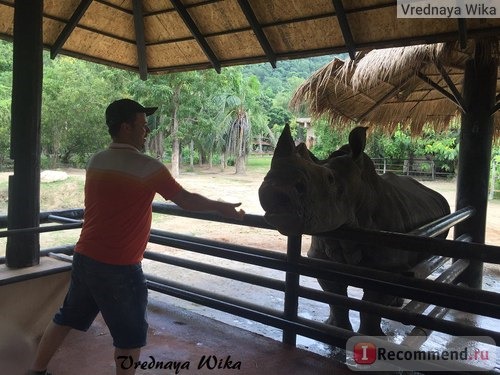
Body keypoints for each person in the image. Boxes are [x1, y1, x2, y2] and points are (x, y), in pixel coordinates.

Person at [29, 99, 245, 375]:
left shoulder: (96, 160)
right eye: (142, 126)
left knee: (66, 317)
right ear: (125, 127)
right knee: (130, 337)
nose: (147, 131)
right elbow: (185, 200)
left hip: (85, 257)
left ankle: (35, 370)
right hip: (119, 266)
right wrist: (221, 206)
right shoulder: (147, 167)